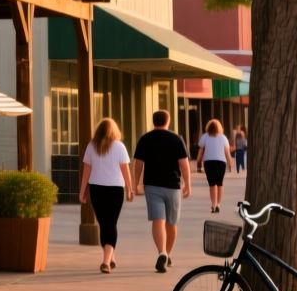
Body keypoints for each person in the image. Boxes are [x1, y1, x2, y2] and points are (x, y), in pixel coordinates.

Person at [133, 109, 191, 273]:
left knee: (158, 220)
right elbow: (184, 164)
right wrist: (188, 184)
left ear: (154, 121)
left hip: (151, 185)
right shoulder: (176, 139)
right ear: (168, 121)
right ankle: (168, 254)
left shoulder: (145, 139)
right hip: (172, 186)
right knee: (171, 223)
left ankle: (162, 252)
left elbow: (138, 164)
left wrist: (135, 184)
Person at [79, 117, 133, 274]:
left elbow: (86, 171)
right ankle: (106, 262)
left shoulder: (91, 146)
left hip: (96, 189)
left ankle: (110, 257)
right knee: (111, 224)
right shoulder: (119, 147)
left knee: (104, 224)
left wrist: (82, 191)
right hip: (115, 189)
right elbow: (125, 170)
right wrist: (130, 188)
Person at [196, 120, 232, 213]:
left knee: (212, 184)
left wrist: (198, 163)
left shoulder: (205, 137)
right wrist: (230, 163)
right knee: (220, 183)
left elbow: (200, 152)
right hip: (221, 162)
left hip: (208, 162)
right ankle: (219, 204)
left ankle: (213, 204)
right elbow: (227, 153)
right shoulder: (223, 138)